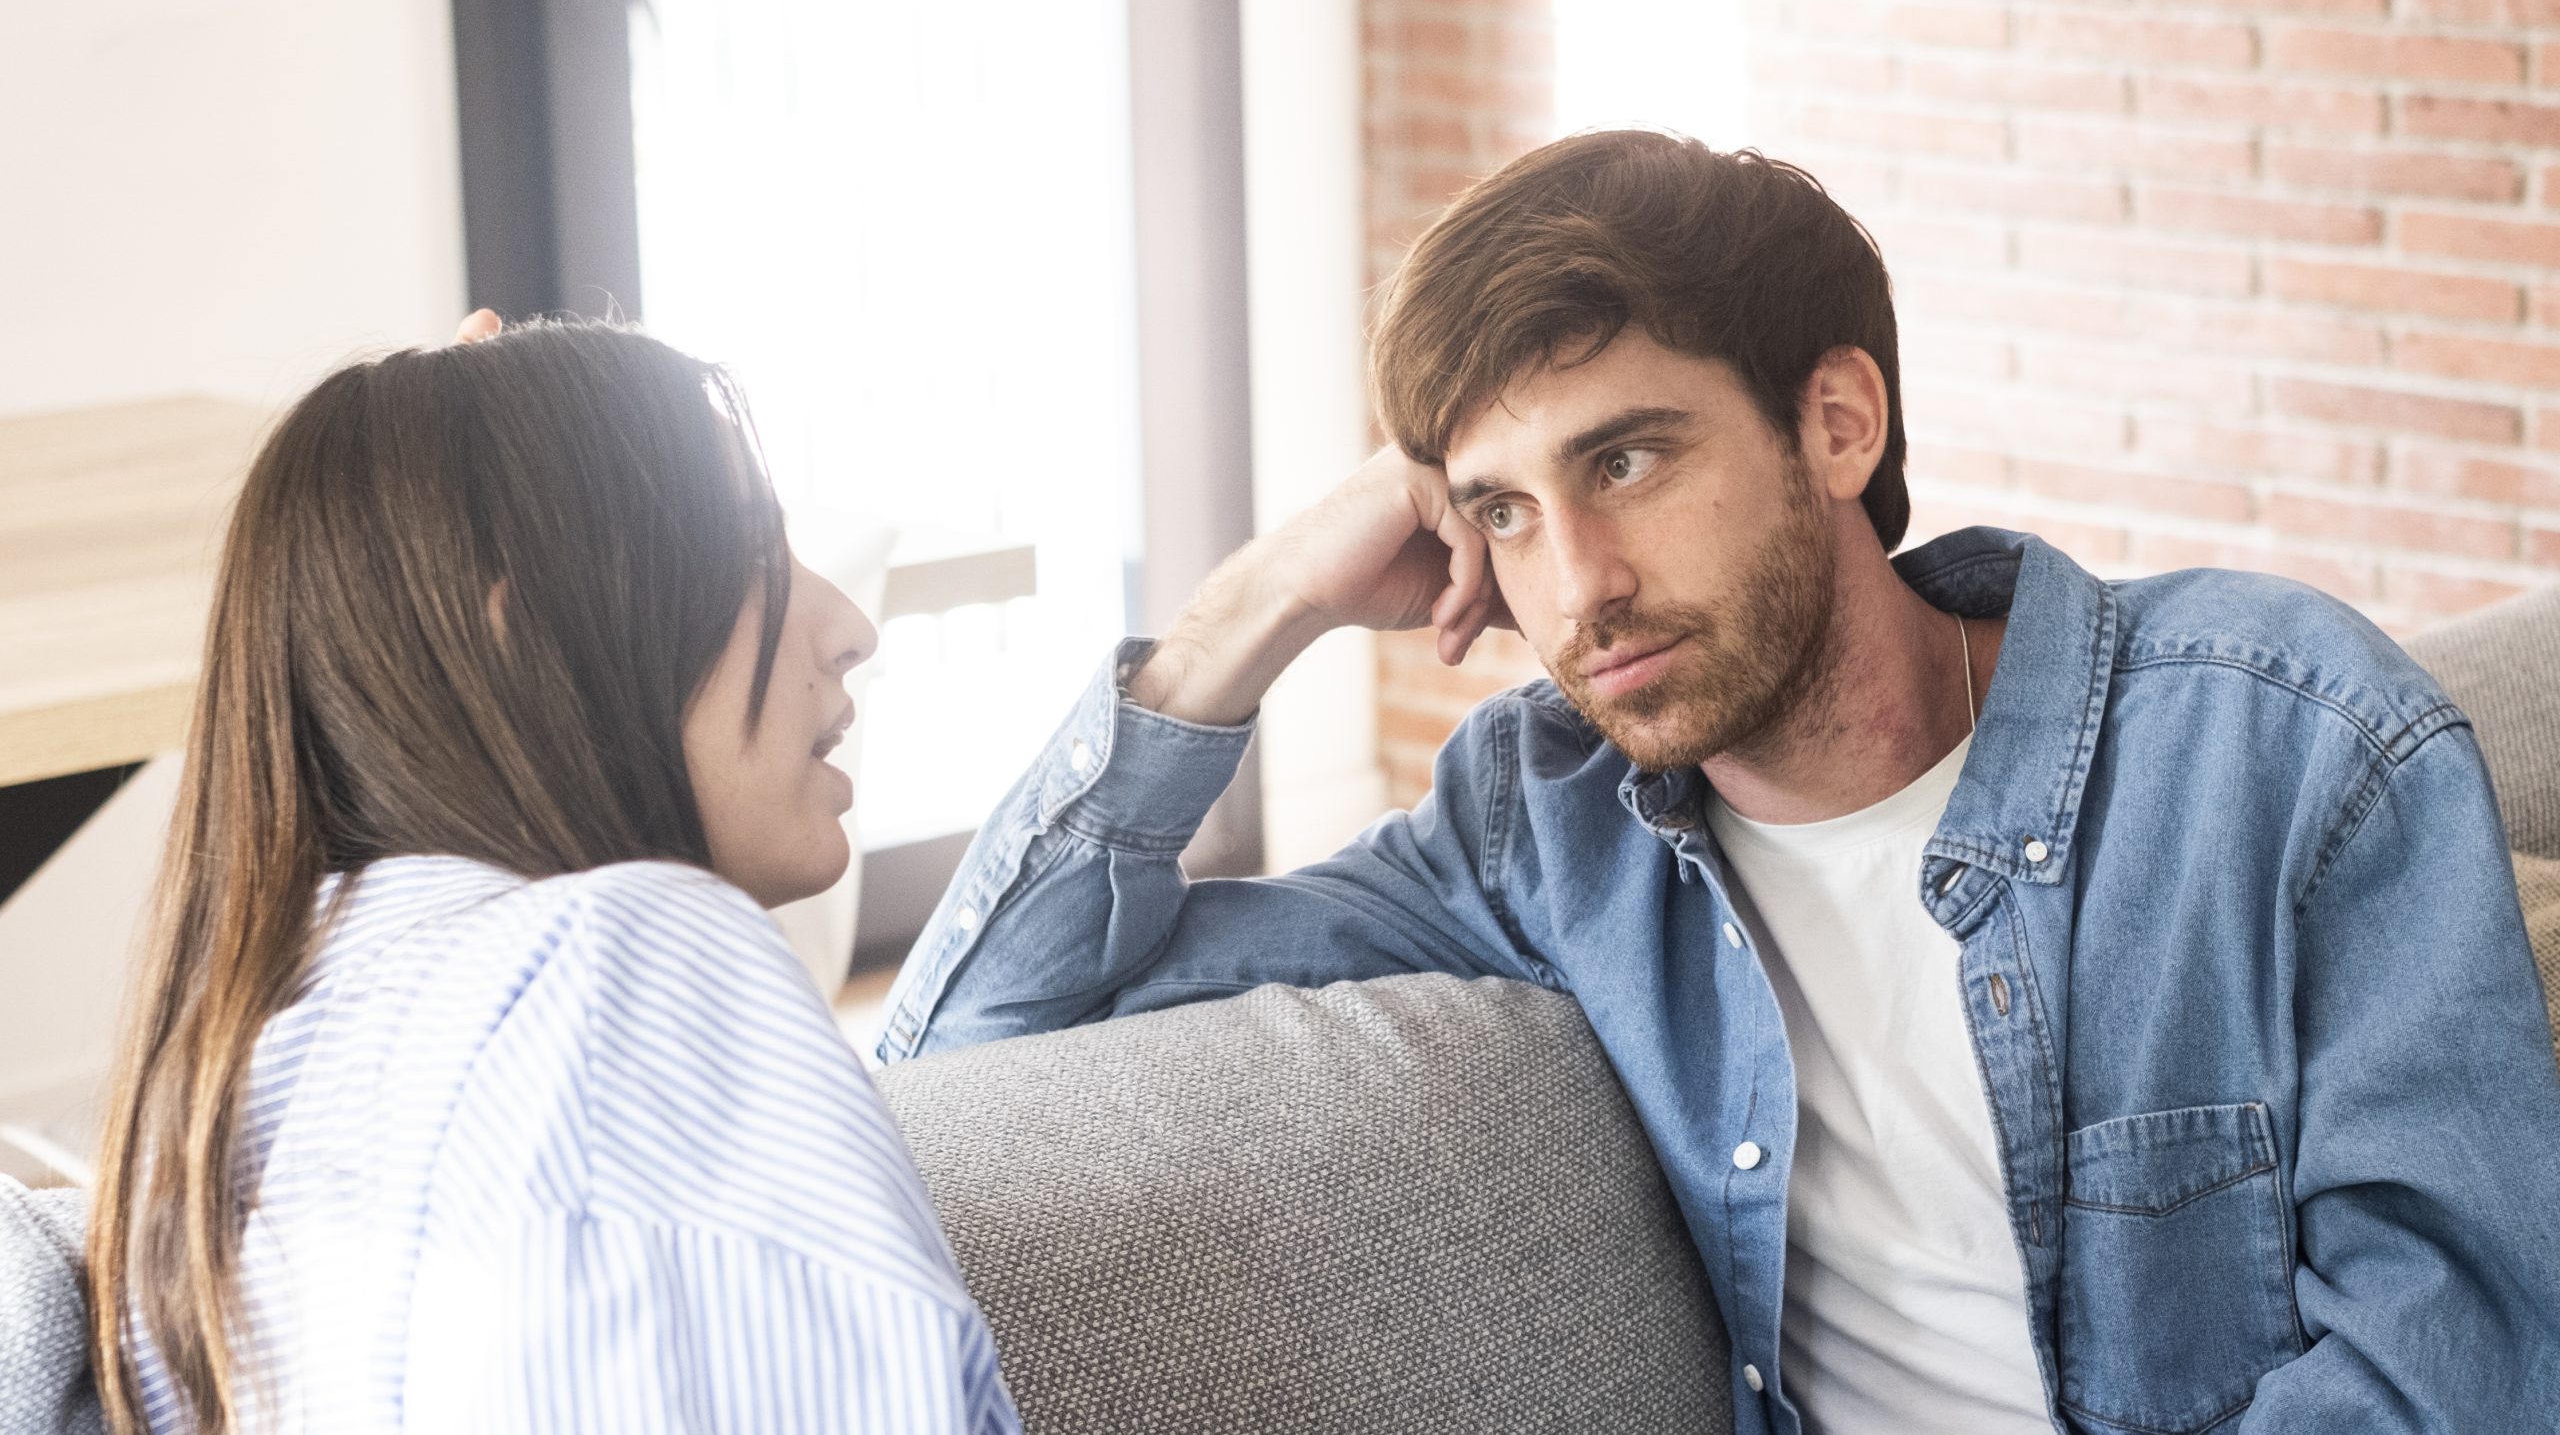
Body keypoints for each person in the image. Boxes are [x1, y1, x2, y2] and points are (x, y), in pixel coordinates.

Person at [879, 130, 2560, 1434]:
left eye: (1625, 458)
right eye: (1504, 508)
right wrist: (1254, 609)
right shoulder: (1544, 823)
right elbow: (968, 1045)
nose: (1576, 584)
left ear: (1837, 424)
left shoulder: (2281, 742)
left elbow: (2463, 1364)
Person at [87, 320, 1019, 1434]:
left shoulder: (224, 1083)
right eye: (746, 553)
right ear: (520, 629)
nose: (849, 624)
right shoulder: (624, 962)